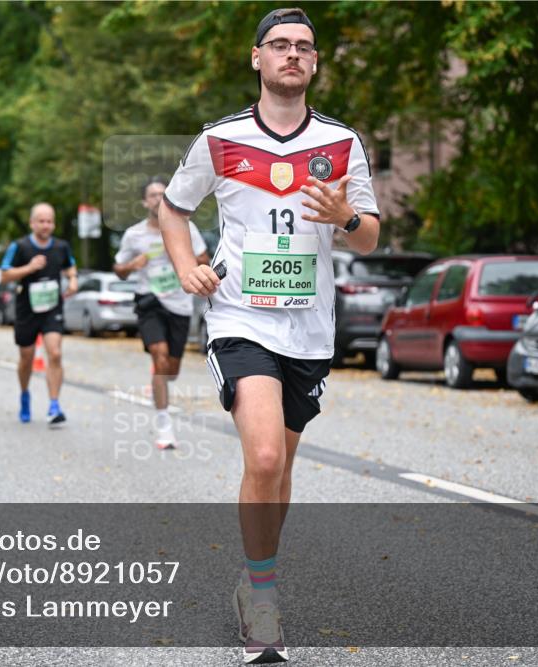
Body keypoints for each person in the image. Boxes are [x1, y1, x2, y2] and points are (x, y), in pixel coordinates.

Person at [160, 7, 381, 663]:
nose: (292, 54)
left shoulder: (342, 144)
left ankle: (253, 578)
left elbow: (371, 237)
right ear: (256, 58)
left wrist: (346, 216)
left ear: (314, 63)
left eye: (304, 47)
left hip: (308, 329)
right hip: (240, 317)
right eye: (280, 45)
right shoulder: (220, 140)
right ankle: (263, 603)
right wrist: (186, 266)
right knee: (262, 458)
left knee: (279, 469)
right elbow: (173, 209)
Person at [114, 176, 208, 449]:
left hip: (179, 303)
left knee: (171, 370)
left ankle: (160, 375)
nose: (157, 199)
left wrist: (179, 252)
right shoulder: (134, 235)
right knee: (160, 354)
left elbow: (204, 259)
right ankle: (164, 426)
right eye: (153, 195)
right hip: (150, 301)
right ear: (145, 202)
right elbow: (118, 269)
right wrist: (132, 265)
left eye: (162, 194)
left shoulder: (185, 228)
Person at [0, 203, 77, 427]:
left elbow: (70, 267)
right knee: (27, 358)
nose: (45, 225)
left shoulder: (61, 246)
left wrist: (73, 280)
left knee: (55, 353)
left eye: (49, 221)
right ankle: (25, 394)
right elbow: (4, 276)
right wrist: (29, 267)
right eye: (41, 221)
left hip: (52, 308)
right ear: (32, 223)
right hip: (27, 310)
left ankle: (54, 406)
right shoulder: (19, 247)